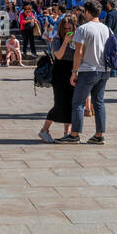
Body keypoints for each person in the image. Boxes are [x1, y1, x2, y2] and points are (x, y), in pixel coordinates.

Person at [58, 0, 110, 145]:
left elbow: (78, 52)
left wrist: (74, 72)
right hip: (104, 69)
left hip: (88, 69)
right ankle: (99, 135)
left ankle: (74, 134)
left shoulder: (83, 29)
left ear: (87, 12)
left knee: (78, 103)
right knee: (98, 102)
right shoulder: (106, 29)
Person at [39, 13, 78, 142]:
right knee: (60, 103)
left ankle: (67, 132)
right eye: (65, 29)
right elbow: (59, 55)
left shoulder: (77, 38)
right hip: (60, 71)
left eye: (70, 28)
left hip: (72, 71)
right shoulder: (57, 39)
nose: (68, 31)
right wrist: (66, 42)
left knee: (71, 104)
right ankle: (44, 130)